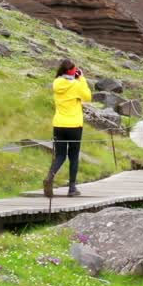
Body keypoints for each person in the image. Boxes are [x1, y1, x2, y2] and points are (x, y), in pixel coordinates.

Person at [45, 59, 91, 197]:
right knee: (74, 157)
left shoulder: (56, 83)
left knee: (60, 155)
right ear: (73, 72)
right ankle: (72, 188)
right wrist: (81, 78)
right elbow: (88, 97)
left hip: (59, 124)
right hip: (74, 126)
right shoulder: (76, 85)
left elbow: (62, 80)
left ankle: (50, 176)